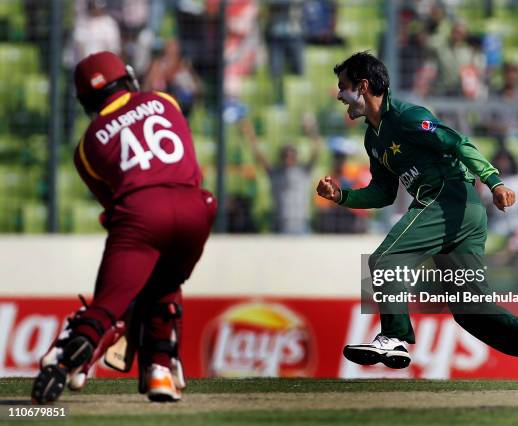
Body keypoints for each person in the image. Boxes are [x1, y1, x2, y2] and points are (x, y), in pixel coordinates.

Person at [316, 52, 518, 382]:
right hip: (459, 212)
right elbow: (383, 192)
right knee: (472, 311)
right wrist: (342, 196)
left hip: (449, 197)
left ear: (363, 86)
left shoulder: (408, 117)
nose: (339, 95)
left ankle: (394, 338)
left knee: (385, 259)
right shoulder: (373, 137)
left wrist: (494, 181)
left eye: (343, 87)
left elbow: (458, 143)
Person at [31, 52, 216, 404]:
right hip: (196, 209)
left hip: (142, 214)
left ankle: (73, 352)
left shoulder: (86, 147)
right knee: (163, 288)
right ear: (126, 79)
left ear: (85, 99)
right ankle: (160, 369)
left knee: (108, 306)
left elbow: (115, 207)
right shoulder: (163, 100)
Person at [243, 112, 322, 234]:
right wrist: (251, 135)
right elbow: (259, 156)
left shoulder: (304, 172)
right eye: (285, 155)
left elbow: (317, 150)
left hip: (302, 228)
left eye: (291, 155)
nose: (288, 158)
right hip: (280, 228)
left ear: (296, 157)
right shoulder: (275, 173)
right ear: (281, 157)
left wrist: (312, 129)